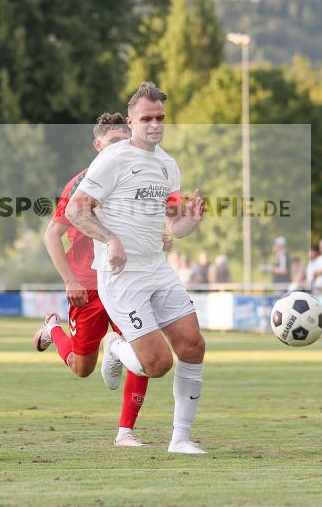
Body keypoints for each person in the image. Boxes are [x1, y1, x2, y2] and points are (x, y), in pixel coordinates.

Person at [66, 81, 207, 454]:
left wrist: (190, 222)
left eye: (160, 117)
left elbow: (174, 225)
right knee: (157, 364)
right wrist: (110, 239)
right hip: (120, 277)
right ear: (131, 121)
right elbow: (74, 210)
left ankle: (181, 439)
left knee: (193, 346)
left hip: (157, 270)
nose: (155, 124)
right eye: (147, 118)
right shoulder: (112, 159)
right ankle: (114, 348)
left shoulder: (167, 165)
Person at [36, 113, 154, 448]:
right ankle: (52, 329)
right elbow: (51, 236)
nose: (121, 148)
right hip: (87, 286)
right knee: (81, 368)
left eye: (125, 141)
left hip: (123, 282)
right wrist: (70, 280)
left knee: (143, 350)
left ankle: (125, 432)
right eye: (114, 142)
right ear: (98, 145)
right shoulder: (79, 185)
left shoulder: (134, 179)